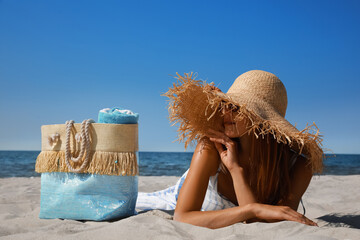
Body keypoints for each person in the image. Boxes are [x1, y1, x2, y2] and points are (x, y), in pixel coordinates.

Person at [136, 70, 323, 229]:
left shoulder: (298, 166)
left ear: (262, 120)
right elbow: (182, 217)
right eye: (225, 104)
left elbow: (269, 225)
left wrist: (235, 170)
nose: (226, 112)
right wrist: (253, 208)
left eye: (236, 107)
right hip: (174, 199)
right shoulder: (210, 147)